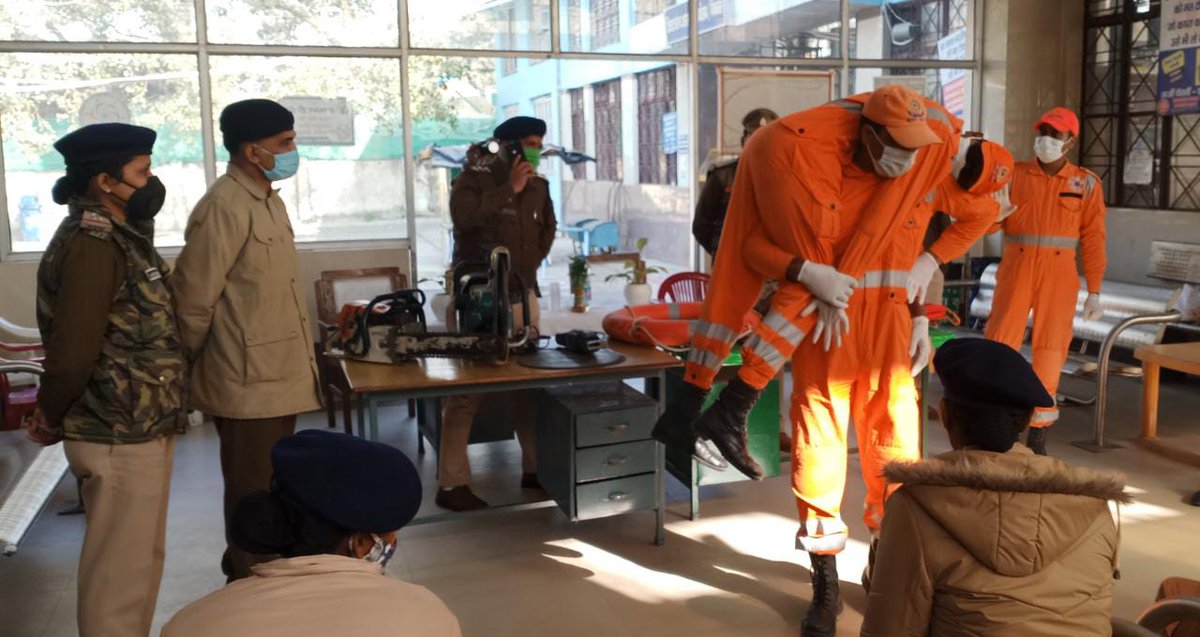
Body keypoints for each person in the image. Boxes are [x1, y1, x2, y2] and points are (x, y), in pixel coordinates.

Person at [771, 138, 1014, 636]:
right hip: (826, 323)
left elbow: (983, 212)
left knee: (896, 448)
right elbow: (778, 240)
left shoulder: (927, 182)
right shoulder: (829, 173)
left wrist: (926, 291)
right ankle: (825, 580)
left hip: (891, 326)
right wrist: (805, 281)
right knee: (819, 451)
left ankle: (883, 561)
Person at [653, 86, 958, 483]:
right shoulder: (813, 156)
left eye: (916, 147)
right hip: (791, 161)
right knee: (805, 285)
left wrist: (921, 282)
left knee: (763, 280)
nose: (910, 158)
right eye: (902, 146)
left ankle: (686, 407)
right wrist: (828, 280)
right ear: (870, 135)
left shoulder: (931, 138)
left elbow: (897, 228)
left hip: (879, 315)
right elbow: (865, 235)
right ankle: (732, 407)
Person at [27, 123, 187, 637]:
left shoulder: (123, 235)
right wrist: (50, 414)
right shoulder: (92, 244)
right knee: (118, 575)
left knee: (136, 565)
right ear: (104, 181)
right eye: (141, 172)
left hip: (138, 424)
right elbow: (73, 351)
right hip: (115, 430)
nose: (151, 181)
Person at [861, 337, 1126, 636]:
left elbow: (891, 629)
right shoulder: (1094, 504)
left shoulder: (916, 506)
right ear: (1027, 422)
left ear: (945, 415)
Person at [172, 99, 322, 581]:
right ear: (251, 151)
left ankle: (259, 562)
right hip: (246, 379)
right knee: (250, 489)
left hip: (276, 374)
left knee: (272, 484)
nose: (293, 150)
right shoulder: (223, 206)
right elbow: (193, 300)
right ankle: (249, 578)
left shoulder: (267, 199)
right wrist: (188, 365)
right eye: (285, 142)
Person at [162, 429, 461, 636]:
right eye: (391, 535)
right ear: (361, 544)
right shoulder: (425, 617)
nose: (394, 544)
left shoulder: (189, 624)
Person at [438, 115, 556, 511]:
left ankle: (535, 471)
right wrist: (510, 189)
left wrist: (530, 265)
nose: (536, 150)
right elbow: (463, 220)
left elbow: (548, 229)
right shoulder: (474, 178)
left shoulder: (540, 186)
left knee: (528, 386)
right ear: (506, 146)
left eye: (540, 142)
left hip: (524, 296)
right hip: (480, 298)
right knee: (468, 392)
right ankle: (452, 485)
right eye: (528, 142)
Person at [984, 107, 1107, 455]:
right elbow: (986, 225)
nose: (1047, 140)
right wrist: (996, 217)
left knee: (1051, 349)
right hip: (1016, 269)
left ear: (1069, 142)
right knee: (999, 343)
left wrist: (1094, 290)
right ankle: (997, 423)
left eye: (1056, 135)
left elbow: (1095, 239)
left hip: (1059, 275)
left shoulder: (1085, 183)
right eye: (1044, 132)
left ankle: (1037, 434)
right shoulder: (1013, 176)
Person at [692, 107, 779, 257]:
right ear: (743, 141)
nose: (760, 144)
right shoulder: (722, 176)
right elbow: (701, 226)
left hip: (770, 265)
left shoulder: (785, 178)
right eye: (754, 137)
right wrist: (721, 252)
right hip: (729, 261)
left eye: (766, 138)